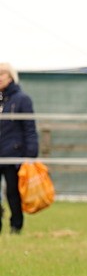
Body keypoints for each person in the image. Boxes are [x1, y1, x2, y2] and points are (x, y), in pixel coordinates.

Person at [0, 63, 38, 235]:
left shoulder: (22, 99)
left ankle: (16, 225)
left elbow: (29, 127)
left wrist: (30, 153)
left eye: (2, 75)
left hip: (13, 154)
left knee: (13, 192)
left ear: (11, 77)